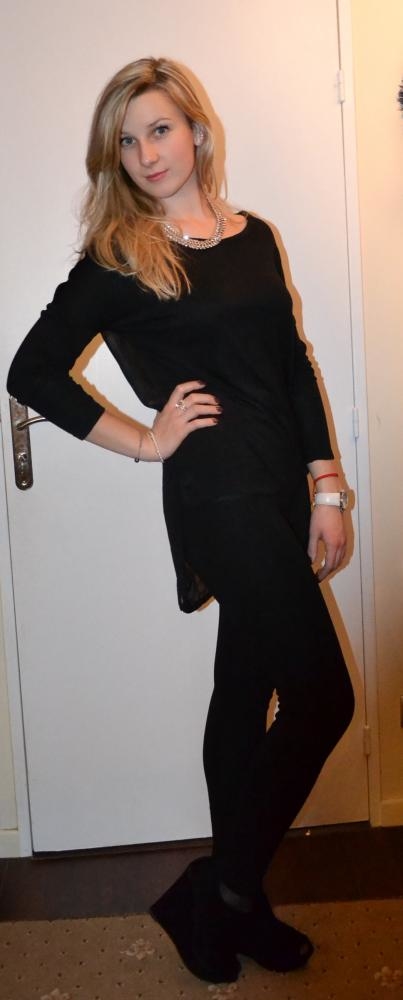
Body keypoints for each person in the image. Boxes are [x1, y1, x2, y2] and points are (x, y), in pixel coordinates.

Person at [7, 57, 355, 984]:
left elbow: (290, 361)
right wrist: (144, 440)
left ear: (196, 130)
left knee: (244, 688)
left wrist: (325, 487)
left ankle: (232, 897)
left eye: (158, 129)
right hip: (218, 498)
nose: (146, 153)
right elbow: (30, 370)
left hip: (278, 491)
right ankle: (223, 891)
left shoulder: (255, 236)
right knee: (325, 700)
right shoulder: (123, 257)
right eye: (126, 142)